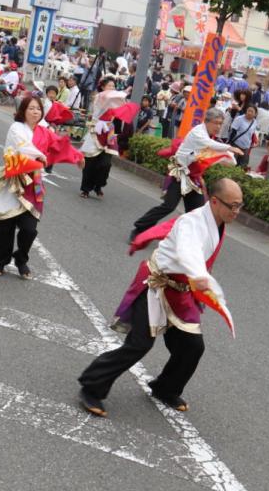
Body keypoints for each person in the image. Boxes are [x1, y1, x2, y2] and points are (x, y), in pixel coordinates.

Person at [77, 175, 242, 417]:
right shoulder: (192, 223)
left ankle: (165, 388)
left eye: (240, 205)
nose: (237, 211)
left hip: (183, 291)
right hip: (157, 284)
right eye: (233, 205)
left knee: (192, 347)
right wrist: (198, 274)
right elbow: (189, 251)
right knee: (139, 344)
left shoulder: (218, 223)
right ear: (215, 202)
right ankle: (91, 386)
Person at [0, 94, 84, 278]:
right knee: (5, 226)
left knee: (29, 228)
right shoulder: (16, 128)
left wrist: (78, 157)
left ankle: (21, 258)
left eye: (38, 109)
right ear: (23, 111)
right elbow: (22, 145)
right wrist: (39, 154)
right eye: (31, 108)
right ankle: (0, 261)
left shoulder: (44, 131)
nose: (35, 112)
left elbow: (60, 145)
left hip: (34, 184)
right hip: (14, 180)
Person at [129, 108, 239, 240]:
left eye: (221, 123)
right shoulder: (198, 132)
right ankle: (139, 228)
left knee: (198, 212)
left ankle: (190, 240)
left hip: (193, 178)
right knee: (168, 206)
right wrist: (229, 148)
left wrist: (229, 159)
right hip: (179, 173)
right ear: (207, 121)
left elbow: (212, 155)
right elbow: (210, 145)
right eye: (216, 123)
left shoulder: (213, 138)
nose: (218, 126)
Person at [227, 105, 258, 169]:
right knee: (232, 164)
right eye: (248, 111)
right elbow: (233, 132)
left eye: (252, 111)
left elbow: (252, 134)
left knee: (243, 166)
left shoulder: (255, 122)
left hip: (246, 147)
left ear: (255, 114)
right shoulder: (239, 119)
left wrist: (254, 142)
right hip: (236, 144)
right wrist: (229, 143)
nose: (249, 113)